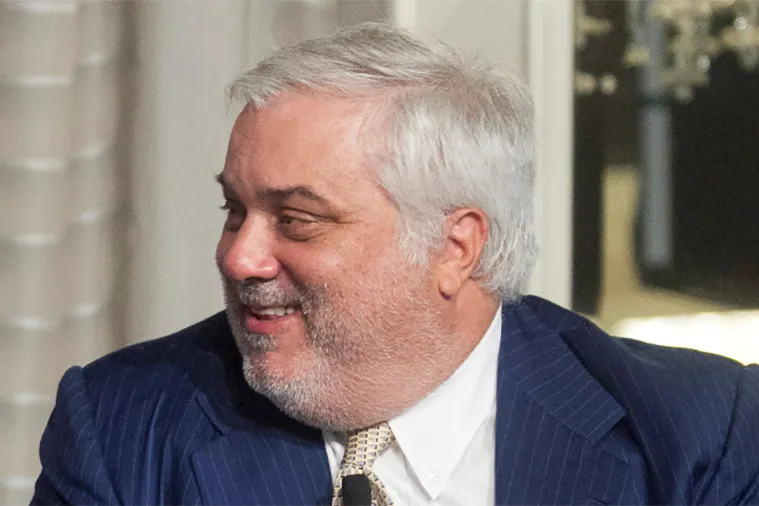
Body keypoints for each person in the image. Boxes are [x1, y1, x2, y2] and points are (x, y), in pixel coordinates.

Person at [32, 22, 759, 506]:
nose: (239, 256)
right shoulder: (121, 426)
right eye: (234, 209)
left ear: (454, 248)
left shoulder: (701, 433)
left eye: (296, 219)